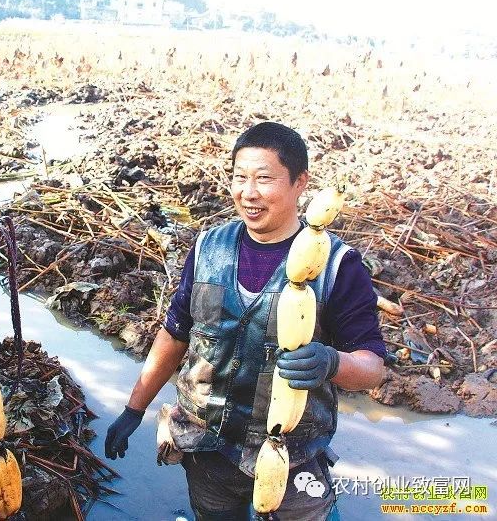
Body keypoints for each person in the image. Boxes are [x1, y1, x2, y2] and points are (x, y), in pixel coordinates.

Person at [104, 122, 386, 520]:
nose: (248, 192)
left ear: (299, 182)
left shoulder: (336, 264)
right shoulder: (208, 247)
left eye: (264, 179)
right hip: (207, 447)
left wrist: (331, 362)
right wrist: (135, 408)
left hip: (294, 457)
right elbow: (175, 334)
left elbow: (373, 367)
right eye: (239, 177)